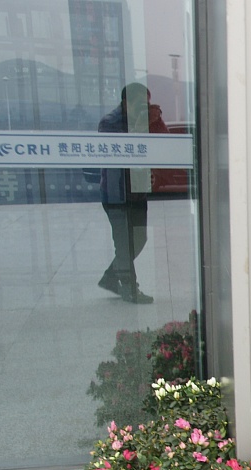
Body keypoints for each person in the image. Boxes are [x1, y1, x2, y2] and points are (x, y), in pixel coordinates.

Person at [95, 82, 168, 304]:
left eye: (146, 103)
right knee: (125, 243)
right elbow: (123, 153)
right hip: (116, 193)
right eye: (139, 104)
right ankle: (129, 289)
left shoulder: (144, 119)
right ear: (125, 103)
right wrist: (139, 123)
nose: (143, 107)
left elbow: (162, 144)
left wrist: (156, 121)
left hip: (138, 189)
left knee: (139, 239)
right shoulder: (109, 123)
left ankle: (110, 277)